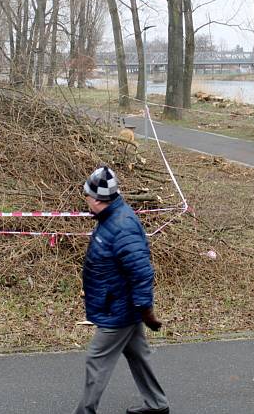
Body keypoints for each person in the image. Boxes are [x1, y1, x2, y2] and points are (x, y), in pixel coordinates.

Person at [74, 166, 170, 414]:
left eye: (86, 197)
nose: (85, 202)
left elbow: (141, 272)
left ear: (97, 199)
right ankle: (157, 405)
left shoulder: (122, 225)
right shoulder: (109, 218)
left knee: (96, 359)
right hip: (118, 303)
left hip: (120, 308)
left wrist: (145, 309)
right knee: (138, 354)